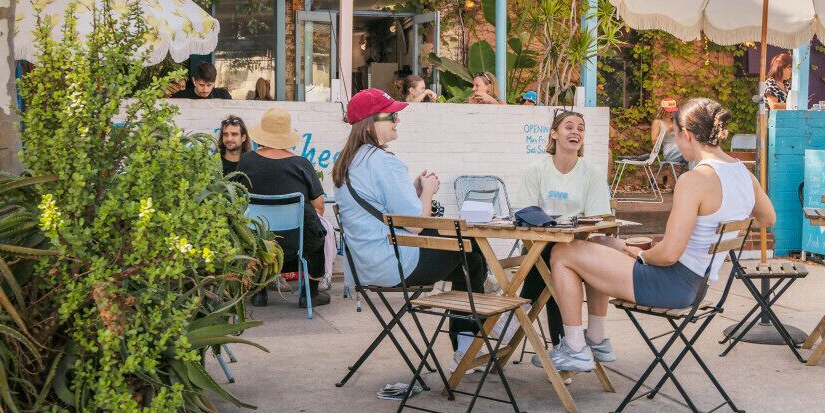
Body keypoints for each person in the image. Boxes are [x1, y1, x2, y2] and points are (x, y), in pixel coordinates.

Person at [540, 98, 776, 371]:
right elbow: (767, 219)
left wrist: (637, 253)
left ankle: (574, 349)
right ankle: (596, 340)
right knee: (601, 243)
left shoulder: (695, 179)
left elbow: (668, 255)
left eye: (675, 135)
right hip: (697, 285)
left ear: (687, 135)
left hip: (671, 285)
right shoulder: (744, 175)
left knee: (563, 252)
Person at [332, 88, 487, 368]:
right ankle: (472, 340)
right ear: (371, 122)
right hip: (397, 264)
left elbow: (387, 210)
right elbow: (415, 225)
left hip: (365, 267)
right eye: (391, 116)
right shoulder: (384, 162)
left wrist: (415, 192)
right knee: (471, 254)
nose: (397, 121)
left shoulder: (346, 162)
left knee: (465, 261)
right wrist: (428, 191)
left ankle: (475, 333)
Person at [514, 109, 612, 347]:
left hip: (576, 249)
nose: (575, 132)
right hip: (538, 246)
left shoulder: (592, 174)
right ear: (554, 134)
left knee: (553, 260)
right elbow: (523, 212)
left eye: (580, 128)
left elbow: (599, 220)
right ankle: (565, 346)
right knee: (551, 260)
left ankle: (518, 317)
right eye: (569, 127)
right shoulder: (535, 170)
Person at [238, 107, 329, 308]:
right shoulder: (301, 164)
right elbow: (319, 206)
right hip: (296, 243)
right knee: (317, 233)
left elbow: (238, 199)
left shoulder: (246, 161)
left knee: (252, 228)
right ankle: (310, 294)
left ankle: (259, 292)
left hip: (257, 240)